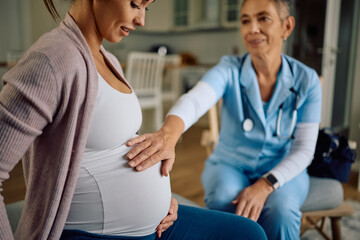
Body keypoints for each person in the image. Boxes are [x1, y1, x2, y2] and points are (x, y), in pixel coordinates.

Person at [0, 0, 268, 240]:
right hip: (96, 233)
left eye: (146, 7)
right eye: (134, 4)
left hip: (162, 223)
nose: (142, 20)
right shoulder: (50, 60)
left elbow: (120, 144)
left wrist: (162, 200)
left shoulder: (111, 61)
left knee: (249, 233)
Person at [126, 0, 322, 239]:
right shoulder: (229, 69)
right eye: (245, 20)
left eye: (264, 18)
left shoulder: (307, 80)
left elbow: (304, 149)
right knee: (225, 200)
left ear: (287, 26)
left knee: (281, 212)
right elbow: (196, 99)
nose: (252, 28)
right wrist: (168, 133)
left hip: (281, 167)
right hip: (231, 164)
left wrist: (265, 185)